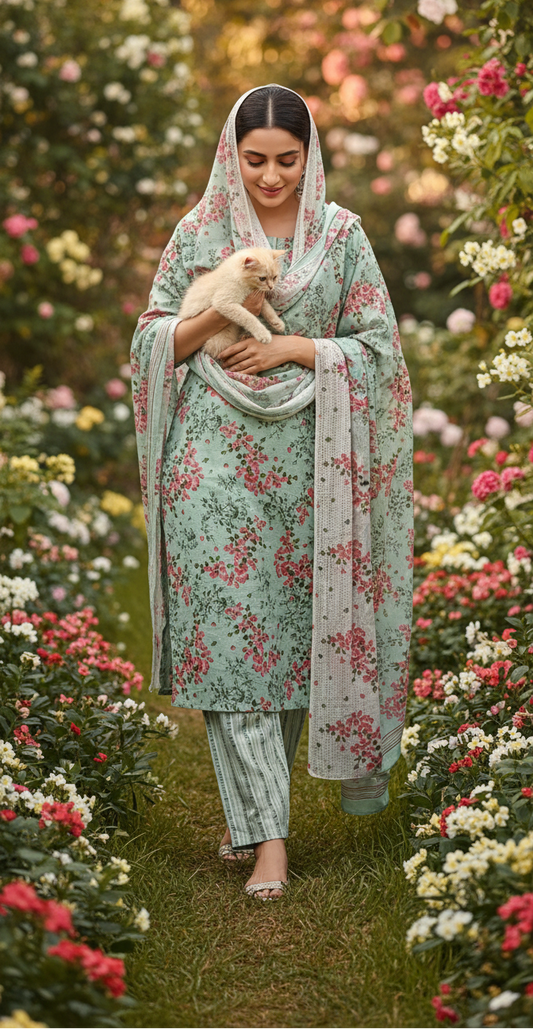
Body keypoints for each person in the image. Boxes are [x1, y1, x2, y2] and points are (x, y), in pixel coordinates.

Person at [131, 84, 413, 901]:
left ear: (308, 154)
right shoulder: (201, 232)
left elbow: (380, 355)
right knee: (229, 647)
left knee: (288, 646)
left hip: (311, 470)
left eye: (286, 160)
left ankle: (254, 810)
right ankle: (269, 846)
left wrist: (294, 346)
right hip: (209, 467)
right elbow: (154, 335)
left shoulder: (342, 238)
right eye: (253, 160)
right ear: (231, 153)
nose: (269, 177)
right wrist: (214, 317)